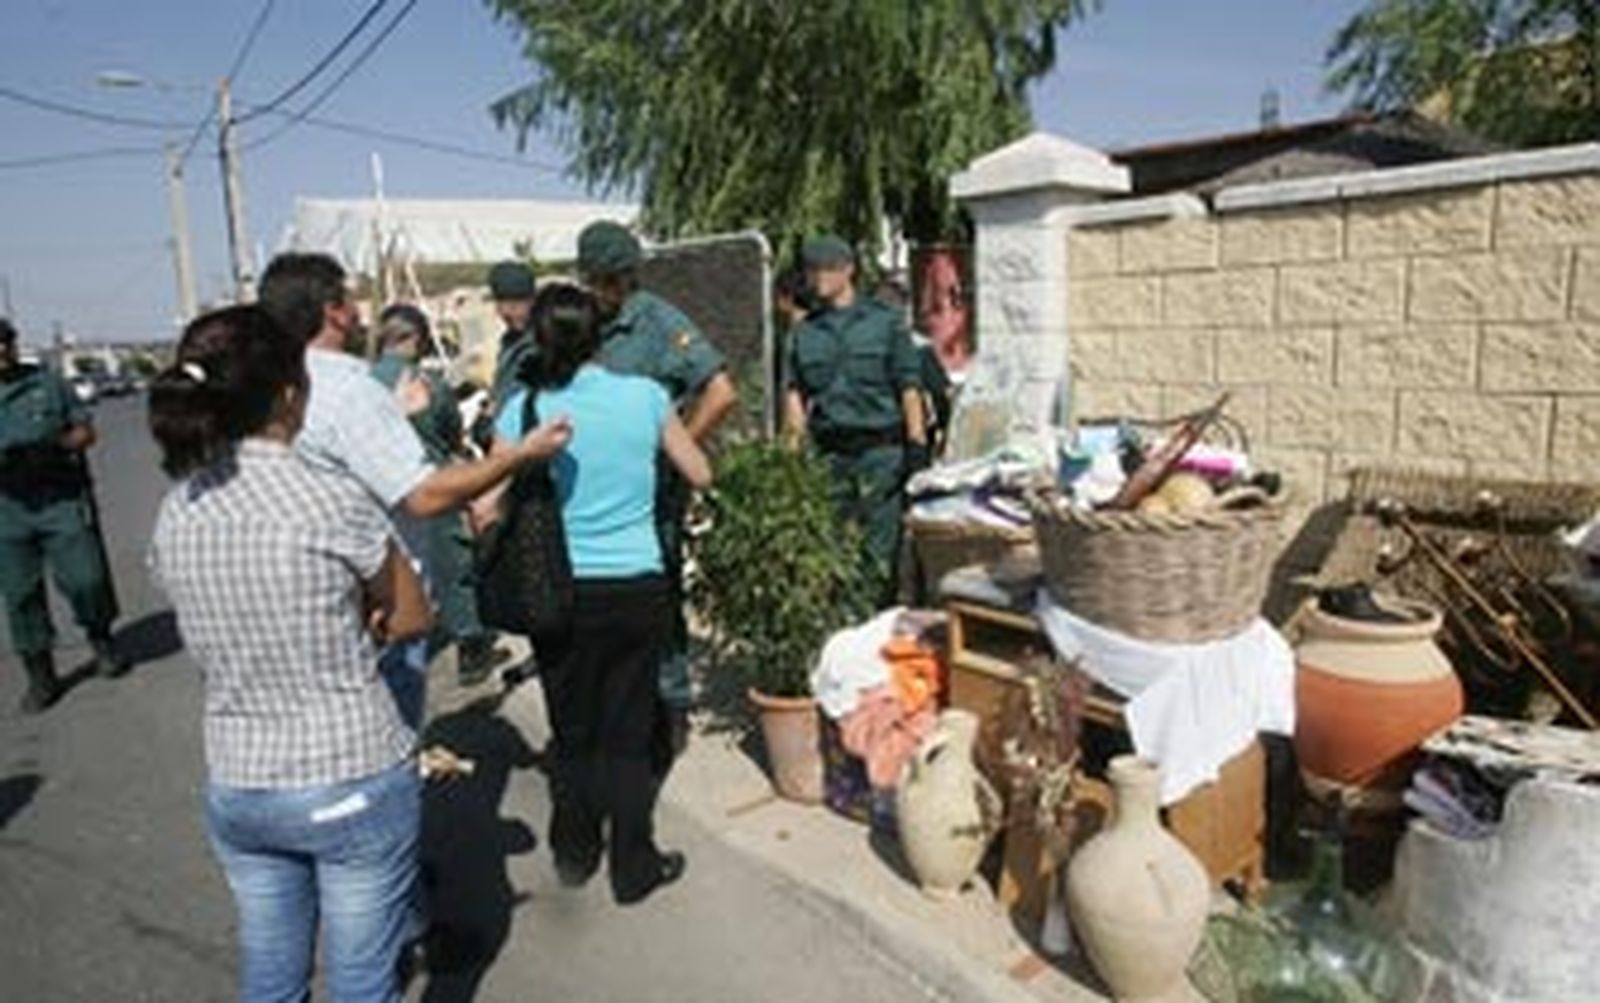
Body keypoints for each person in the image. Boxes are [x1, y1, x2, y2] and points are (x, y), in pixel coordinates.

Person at [147, 304, 432, 1003]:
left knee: (272, 977)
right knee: (363, 980)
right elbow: (412, 616)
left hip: (241, 783)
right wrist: (362, 617)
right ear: (286, 394)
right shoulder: (331, 498)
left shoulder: (178, 508)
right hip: (350, 771)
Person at [257, 252, 571, 726]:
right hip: (375, 597)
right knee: (383, 731)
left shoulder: (269, 385)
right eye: (350, 299)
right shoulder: (350, 390)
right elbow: (423, 494)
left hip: (299, 590)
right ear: (334, 311)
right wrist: (519, 455)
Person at [490, 283, 711, 905]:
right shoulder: (645, 397)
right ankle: (633, 864)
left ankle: (574, 851)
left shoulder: (523, 409)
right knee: (630, 728)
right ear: (599, 337)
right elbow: (701, 471)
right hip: (637, 584)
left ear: (538, 341)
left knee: (572, 725)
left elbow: (487, 500)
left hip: (555, 590)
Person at [575, 220, 738, 742]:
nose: (606, 291)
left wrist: (674, 448)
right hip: (594, 490)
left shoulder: (658, 322)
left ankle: (671, 698)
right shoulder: (581, 321)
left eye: (615, 280)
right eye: (596, 280)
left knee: (658, 590)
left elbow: (720, 391)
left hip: (652, 489)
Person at [784, 235, 927, 599]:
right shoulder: (804, 333)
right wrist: (791, 457)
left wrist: (917, 446)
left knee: (879, 555)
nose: (818, 277)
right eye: (812, 270)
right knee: (833, 553)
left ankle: (876, 619)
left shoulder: (884, 323)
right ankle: (844, 623)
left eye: (827, 269)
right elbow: (795, 395)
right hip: (830, 456)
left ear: (848, 270)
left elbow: (909, 387)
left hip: (881, 455)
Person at [371, 305, 505, 687]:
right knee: (452, 565)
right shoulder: (427, 383)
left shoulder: (363, 383)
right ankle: (471, 645)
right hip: (431, 482)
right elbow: (450, 429)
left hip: (380, 489)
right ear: (416, 339)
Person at [0, 318, 125, 713]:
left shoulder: (47, 383)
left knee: (87, 578)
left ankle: (101, 638)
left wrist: (57, 447)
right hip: (7, 510)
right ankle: (41, 674)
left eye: (5, 341)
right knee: (20, 594)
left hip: (60, 498)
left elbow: (85, 429)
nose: (1, 350)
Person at [487, 260, 538, 411]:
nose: (507, 312)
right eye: (501, 304)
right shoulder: (510, 341)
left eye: (515, 305)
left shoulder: (543, 343)